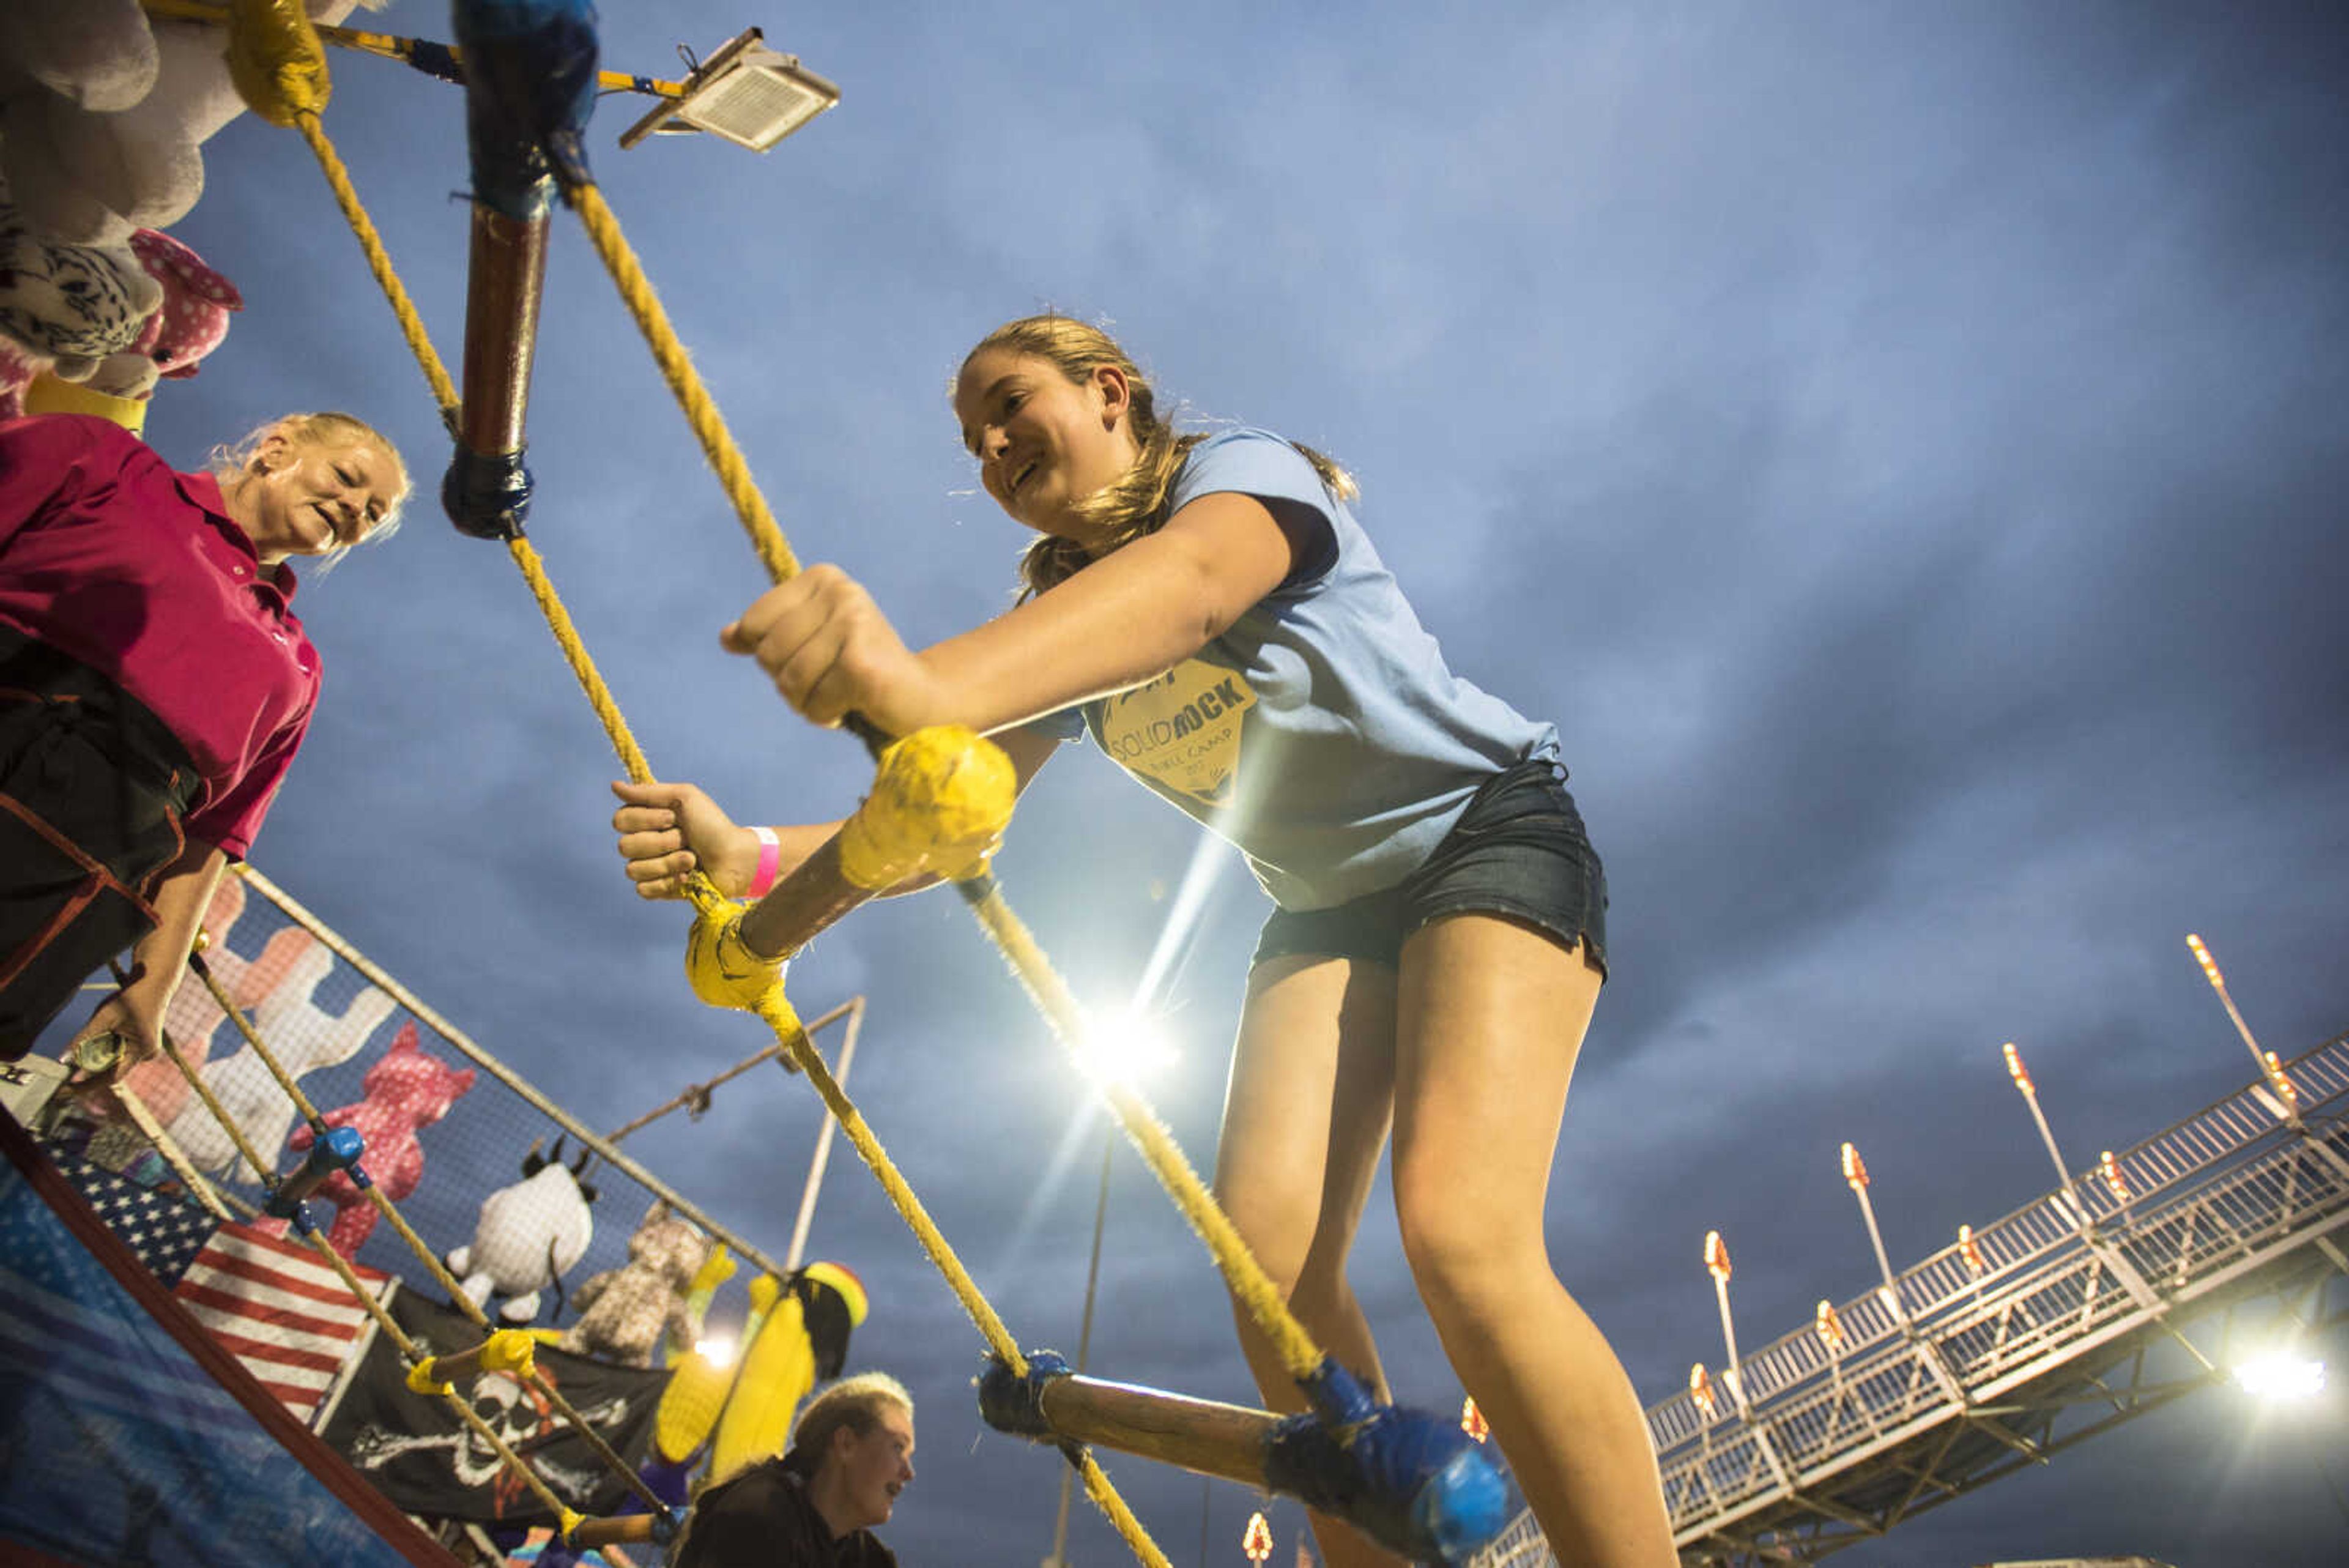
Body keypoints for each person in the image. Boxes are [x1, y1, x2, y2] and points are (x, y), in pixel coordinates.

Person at [612, 315, 1676, 1567]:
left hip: (1482, 830)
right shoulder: (1061, 619)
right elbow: (947, 807)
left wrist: (914, 678)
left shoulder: (1242, 474)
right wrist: (756, 858)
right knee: (1271, 1280)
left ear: (1111, 392)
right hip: (1329, 908)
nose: (993, 442)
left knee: (1458, 1236)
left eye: (1011, 403)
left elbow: (1193, 592)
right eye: (972, 436)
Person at [0, 409, 406, 1071]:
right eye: (348, 477)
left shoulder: (298, 667)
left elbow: (211, 836)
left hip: (73, 885)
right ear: (277, 448)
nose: (356, 508)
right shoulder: (106, 461)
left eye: (373, 513)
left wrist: (152, 988)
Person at [672, 1372, 914, 1568]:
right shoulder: (758, 1519)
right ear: (846, 1444)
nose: (908, 1473)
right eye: (897, 1447)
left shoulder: (868, 1558)